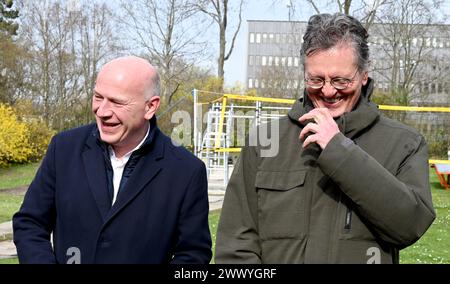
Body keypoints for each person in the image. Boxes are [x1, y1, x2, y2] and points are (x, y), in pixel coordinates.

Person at [215, 13, 435, 264]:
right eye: (316, 79)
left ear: (364, 74)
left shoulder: (404, 143)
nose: (328, 91)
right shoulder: (265, 141)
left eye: (341, 80)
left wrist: (339, 150)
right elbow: (235, 244)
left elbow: (409, 225)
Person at [13, 56, 212, 264]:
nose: (102, 111)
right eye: (98, 97)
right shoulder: (63, 149)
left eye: (117, 102)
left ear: (150, 107)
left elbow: (193, 255)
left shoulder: (186, 171)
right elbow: (29, 224)